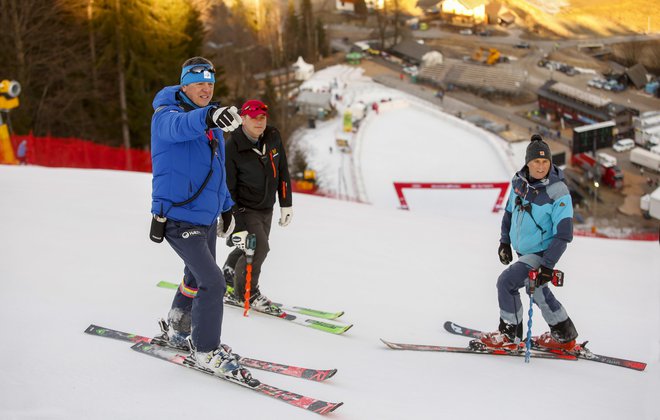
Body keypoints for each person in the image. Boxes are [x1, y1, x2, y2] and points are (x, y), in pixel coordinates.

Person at [150, 56, 250, 379]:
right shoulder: (166, 115)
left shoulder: (212, 127)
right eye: (199, 82)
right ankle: (206, 349)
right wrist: (209, 116)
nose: (206, 88)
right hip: (178, 218)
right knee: (213, 281)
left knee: (194, 277)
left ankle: (179, 328)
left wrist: (227, 209)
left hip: (205, 217)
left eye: (210, 83)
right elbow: (181, 127)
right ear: (184, 84)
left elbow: (217, 172)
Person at [471, 134, 579, 353]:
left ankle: (510, 335)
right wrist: (504, 242)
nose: (541, 166)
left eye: (545, 162)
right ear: (528, 163)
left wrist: (547, 266)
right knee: (538, 292)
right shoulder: (519, 182)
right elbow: (510, 212)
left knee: (506, 283)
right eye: (536, 161)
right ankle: (564, 336)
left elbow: (564, 234)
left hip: (541, 253)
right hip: (523, 250)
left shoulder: (558, 192)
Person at [222, 99, 292, 314]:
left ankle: (229, 274)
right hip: (244, 208)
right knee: (259, 248)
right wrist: (235, 221)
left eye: (262, 118)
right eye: (254, 118)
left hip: (266, 207)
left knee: (249, 245)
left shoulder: (272, 137)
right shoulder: (233, 146)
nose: (259, 122)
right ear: (243, 119)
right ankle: (247, 293)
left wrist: (286, 203)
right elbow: (228, 187)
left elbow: (283, 171)